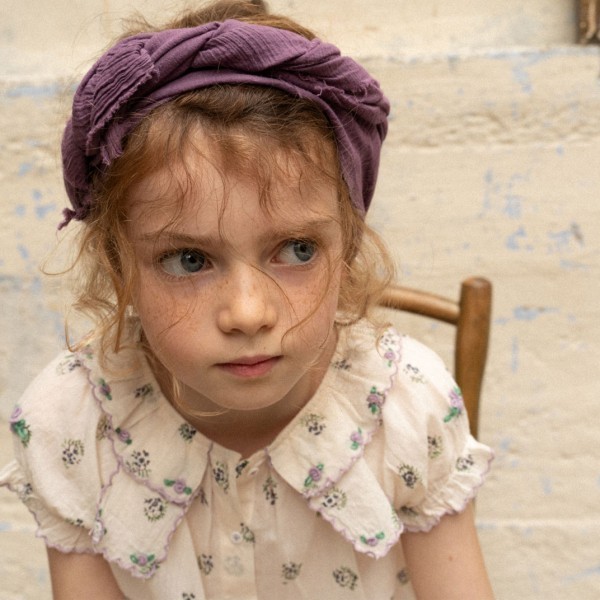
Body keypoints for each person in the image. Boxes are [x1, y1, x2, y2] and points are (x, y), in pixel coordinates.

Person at [0, 1, 495, 598]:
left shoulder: (407, 408)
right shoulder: (74, 422)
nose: (248, 314)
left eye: (297, 250)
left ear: (347, 245)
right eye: (189, 259)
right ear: (116, 260)